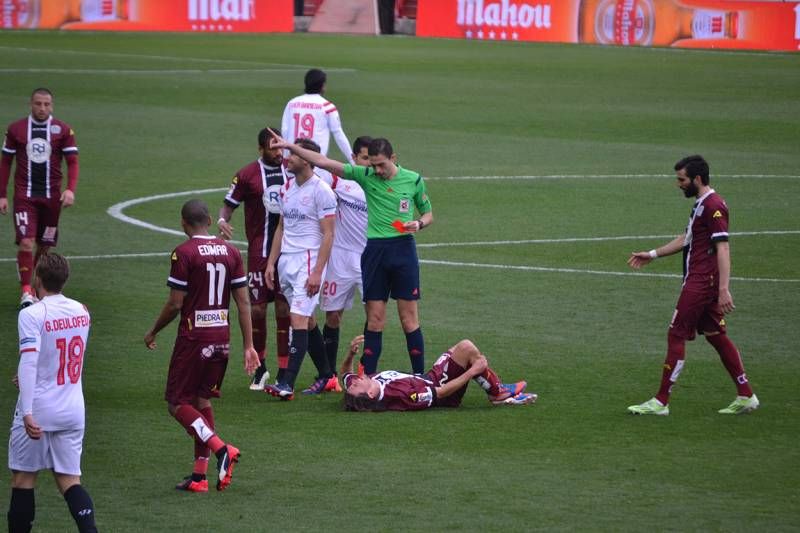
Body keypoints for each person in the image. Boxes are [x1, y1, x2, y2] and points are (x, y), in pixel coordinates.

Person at [268, 132, 433, 377]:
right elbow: (323, 162)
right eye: (373, 165)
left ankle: (420, 378)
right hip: (374, 252)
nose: (376, 170)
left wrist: (419, 224)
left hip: (403, 250)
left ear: (393, 158)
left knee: (409, 319)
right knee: (375, 320)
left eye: (381, 165)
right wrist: (290, 146)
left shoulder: (414, 180)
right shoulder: (364, 176)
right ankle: (368, 380)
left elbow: (428, 213)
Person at [627, 155, 759, 416]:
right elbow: (686, 238)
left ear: (697, 179)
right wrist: (652, 254)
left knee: (676, 335)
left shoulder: (714, 206)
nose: (679, 184)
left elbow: (723, 247)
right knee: (716, 336)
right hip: (702, 281)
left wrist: (723, 289)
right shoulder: (702, 205)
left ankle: (661, 401)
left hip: (701, 284)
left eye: (682, 179)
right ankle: (746, 395)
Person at [144, 200, 259, 492]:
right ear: (209, 220)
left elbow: (175, 303)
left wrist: (153, 330)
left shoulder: (183, 253)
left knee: (177, 403)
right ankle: (199, 477)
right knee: (201, 401)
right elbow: (243, 301)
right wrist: (249, 345)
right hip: (222, 338)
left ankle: (222, 449)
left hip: (194, 339)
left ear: (184, 224)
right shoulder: (232, 251)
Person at [7, 253, 98, 533]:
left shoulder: (31, 314)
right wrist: (26, 376)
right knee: (70, 480)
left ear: (37, 279)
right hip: (72, 409)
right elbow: (61, 353)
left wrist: (28, 412)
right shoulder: (82, 312)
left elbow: (31, 359)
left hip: (39, 409)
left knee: (23, 478)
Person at [263, 139, 337, 400]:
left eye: (292, 154)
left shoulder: (322, 191)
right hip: (287, 262)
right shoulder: (286, 188)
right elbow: (281, 227)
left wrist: (317, 272)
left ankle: (287, 384)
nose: (286, 158)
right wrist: (271, 262)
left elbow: (328, 235)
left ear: (306, 159)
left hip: (308, 261)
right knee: (308, 319)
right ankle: (327, 375)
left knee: (297, 320)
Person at [217, 127, 291, 391]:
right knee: (258, 309)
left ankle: (284, 371)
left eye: (280, 146)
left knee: (284, 309)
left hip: (288, 251)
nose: (278, 152)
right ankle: (260, 368)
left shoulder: (291, 169)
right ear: (261, 149)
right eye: (273, 147)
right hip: (259, 252)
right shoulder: (247, 174)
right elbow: (229, 202)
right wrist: (223, 219)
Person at [1, 88, 80, 309]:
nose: (42, 108)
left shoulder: (63, 130)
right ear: (31, 104)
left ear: (52, 106)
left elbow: (72, 161)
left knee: (44, 247)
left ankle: (36, 286)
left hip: (52, 199)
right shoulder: (16, 129)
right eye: (38, 103)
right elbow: (5, 162)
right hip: (24, 196)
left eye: (46, 104)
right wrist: (2, 195)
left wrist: (70, 189)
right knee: (26, 242)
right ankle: (26, 291)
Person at [341, 335, 537, 411]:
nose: (355, 381)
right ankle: (497, 393)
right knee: (467, 349)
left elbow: (344, 375)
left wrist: (350, 354)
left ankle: (495, 389)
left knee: (459, 351)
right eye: (357, 385)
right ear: (371, 394)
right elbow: (440, 393)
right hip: (442, 390)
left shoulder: (363, 387)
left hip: (429, 377)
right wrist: (472, 373)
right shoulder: (403, 395)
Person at [318, 136, 371, 393]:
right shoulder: (340, 181)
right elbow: (316, 169)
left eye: (372, 159)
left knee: (374, 314)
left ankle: (364, 371)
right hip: (339, 257)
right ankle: (328, 376)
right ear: (354, 159)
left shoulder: (383, 185)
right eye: (363, 158)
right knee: (332, 314)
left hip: (369, 258)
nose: (368, 164)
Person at [280, 68, 353, 180]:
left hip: (293, 159)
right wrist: (352, 160)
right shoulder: (327, 106)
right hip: (316, 163)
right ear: (322, 85)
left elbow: (285, 130)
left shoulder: (292, 103)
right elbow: (338, 134)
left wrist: (286, 157)